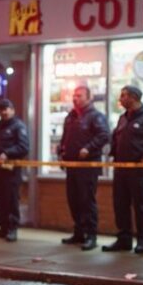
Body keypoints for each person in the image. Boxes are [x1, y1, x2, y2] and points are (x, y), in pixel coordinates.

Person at [103, 85, 143, 254]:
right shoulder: (123, 118)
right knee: (120, 204)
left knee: (140, 205)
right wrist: (112, 152)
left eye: (123, 95)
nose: (120, 99)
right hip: (120, 169)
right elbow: (116, 137)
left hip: (138, 170)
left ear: (134, 97)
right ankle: (124, 239)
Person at [59, 84, 110, 251]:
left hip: (88, 167)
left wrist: (88, 148)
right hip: (72, 166)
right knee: (73, 201)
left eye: (79, 95)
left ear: (89, 98)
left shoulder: (96, 116)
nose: (75, 98)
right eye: (74, 95)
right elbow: (65, 138)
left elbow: (104, 135)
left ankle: (91, 235)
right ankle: (79, 232)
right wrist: (61, 152)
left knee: (87, 201)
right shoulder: (71, 116)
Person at [0, 99, 30, 242]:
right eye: (1, 109)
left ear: (12, 110)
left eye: (6, 109)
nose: (4, 112)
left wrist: (7, 153)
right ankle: (3, 227)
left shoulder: (18, 126)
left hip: (11, 171)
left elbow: (24, 147)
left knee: (11, 200)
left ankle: (12, 228)